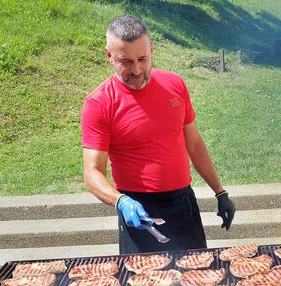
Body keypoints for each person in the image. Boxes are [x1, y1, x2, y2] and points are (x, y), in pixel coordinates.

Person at [81, 15, 235, 254]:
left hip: (183, 204)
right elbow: (92, 172)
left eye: (143, 59)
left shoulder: (175, 85)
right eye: (125, 61)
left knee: (198, 273)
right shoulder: (99, 103)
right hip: (138, 212)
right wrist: (121, 201)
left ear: (152, 50)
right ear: (109, 55)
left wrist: (220, 192)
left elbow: (194, 144)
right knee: (143, 278)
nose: (136, 70)